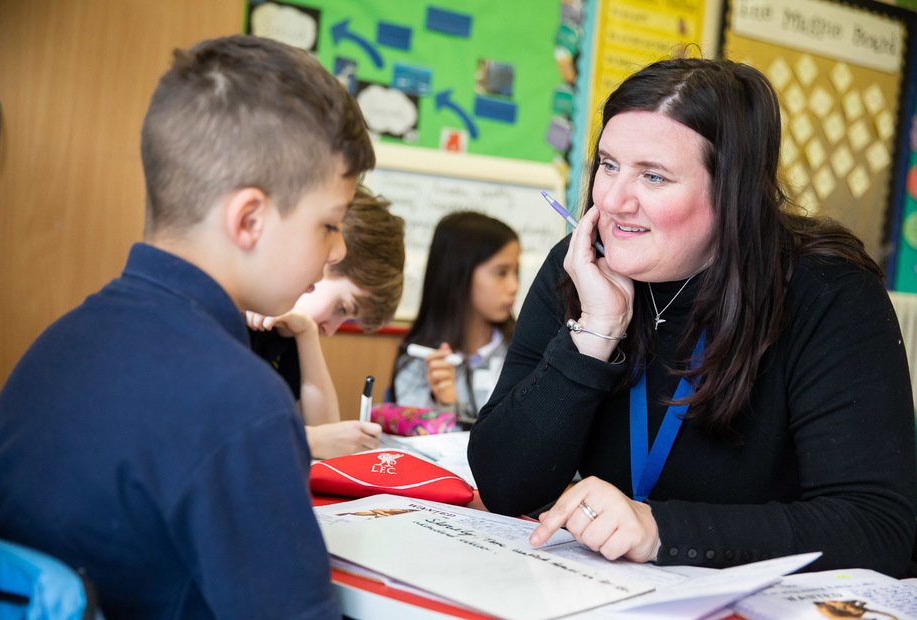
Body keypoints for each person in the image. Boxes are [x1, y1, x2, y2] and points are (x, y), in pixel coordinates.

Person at [467, 57, 916, 577]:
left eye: (653, 177)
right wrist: (593, 336)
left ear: (731, 193)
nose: (611, 201)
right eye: (608, 165)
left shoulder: (827, 292)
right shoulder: (582, 263)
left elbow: (875, 527)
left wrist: (663, 531)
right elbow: (504, 486)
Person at [0, 35, 374, 619]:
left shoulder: (57, 344)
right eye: (330, 224)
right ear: (250, 219)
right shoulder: (243, 402)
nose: (338, 247)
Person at [248, 184, 405, 458]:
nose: (330, 330)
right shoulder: (242, 314)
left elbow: (330, 440)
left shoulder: (290, 334)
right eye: (342, 308)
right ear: (323, 261)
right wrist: (310, 440)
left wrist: (308, 334)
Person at [391, 211, 520, 427]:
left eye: (516, 272)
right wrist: (444, 404)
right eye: (501, 272)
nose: (514, 286)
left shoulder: (521, 354)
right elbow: (413, 442)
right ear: (459, 274)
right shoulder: (418, 363)